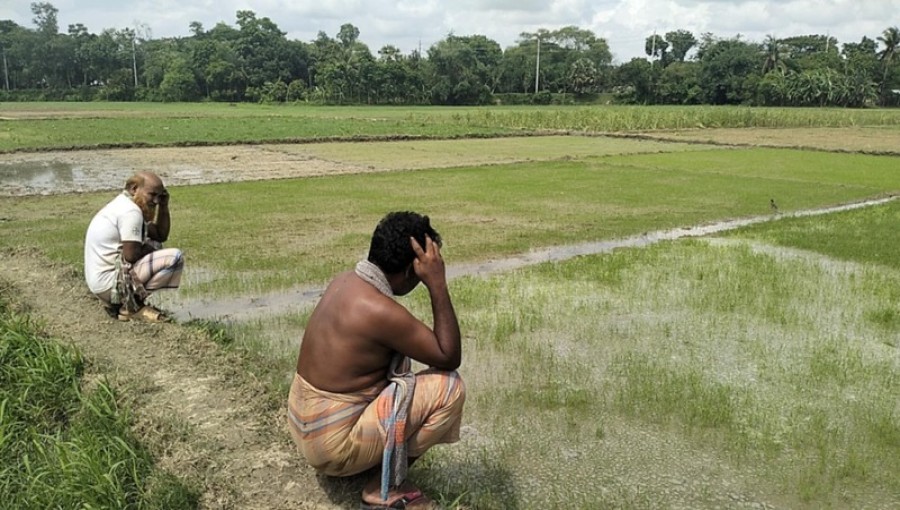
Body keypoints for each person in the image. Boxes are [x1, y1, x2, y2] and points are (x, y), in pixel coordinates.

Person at [287, 211, 465, 510]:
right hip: (330, 447)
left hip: (303, 421)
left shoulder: (345, 281)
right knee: (449, 389)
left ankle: (369, 458)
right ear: (412, 270)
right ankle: (385, 485)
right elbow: (448, 356)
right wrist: (438, 285)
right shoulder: (378, 310)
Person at [84, 171, 184, 322]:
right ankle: (132, 305)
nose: (156, 200)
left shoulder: (124, 204)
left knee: (155, 243)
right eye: (152, 194)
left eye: (160, 196)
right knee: (174, 257)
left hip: (100, 284)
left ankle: (127, 302)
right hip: (109, 286)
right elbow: (131, 256)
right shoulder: (131, 213)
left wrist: (164, 206)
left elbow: (160, 234)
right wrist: (152, 249)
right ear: (134, 188)